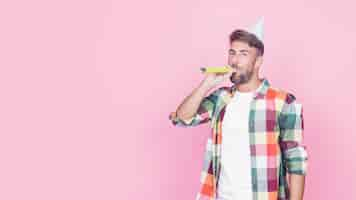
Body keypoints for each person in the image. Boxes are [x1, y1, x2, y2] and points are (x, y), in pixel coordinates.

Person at [168, 19, 308, 200]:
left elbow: (296, 162)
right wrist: (207, 84)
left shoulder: (283, 102)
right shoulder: (221, 98)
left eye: (243, 54)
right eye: (232, 53)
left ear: (258, 61)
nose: (235, 60)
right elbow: (182, 118)